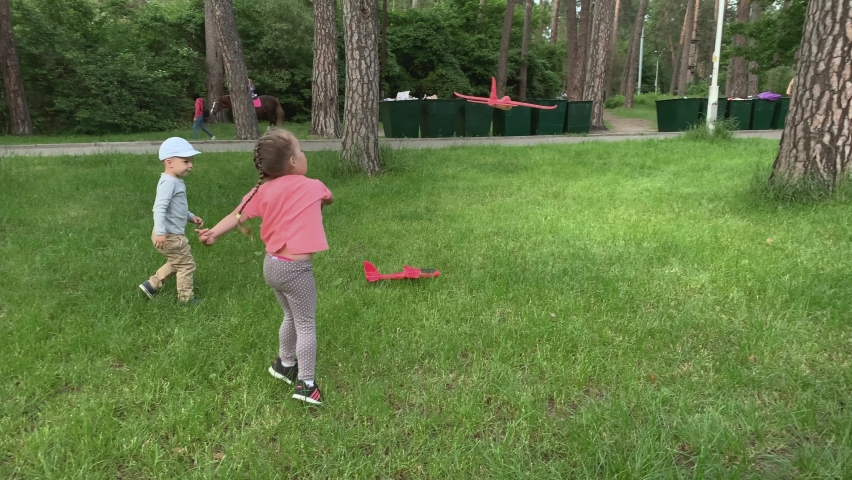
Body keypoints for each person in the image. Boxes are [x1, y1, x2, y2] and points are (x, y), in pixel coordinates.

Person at [196, 129, 334, 405]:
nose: (304, 155)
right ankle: (306, 384)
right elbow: (328, 198)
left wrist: (213, 234)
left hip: (272, 267)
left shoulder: (261, 190)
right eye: (301, 151)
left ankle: (284, 364)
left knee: (289, 316)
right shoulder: (313, 185)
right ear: (293, 162)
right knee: (306, 324)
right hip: (296, 271)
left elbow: (236, 215)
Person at [139, 137, 204, 305]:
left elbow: (177, 207)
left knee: (177, 262)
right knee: (186, 265)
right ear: (169, 162)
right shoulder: (168, 183)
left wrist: (190, 217)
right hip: (170, 236)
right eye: (186, 161)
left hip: (169, 234)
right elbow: (159, 208)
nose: (191, 165)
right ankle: (185, 299)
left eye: (191, 161)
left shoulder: (175, 181)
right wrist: (161, 232)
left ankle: (151, 285)